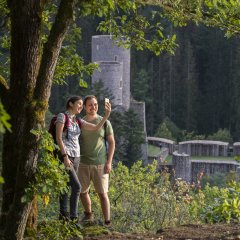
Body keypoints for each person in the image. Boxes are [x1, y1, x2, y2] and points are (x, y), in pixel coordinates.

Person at [55, 95, 111, 221]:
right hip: (67, 156)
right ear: (70, 104)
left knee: (66, 186)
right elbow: (59, 138)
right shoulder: (62, 117)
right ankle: (72, 217)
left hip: (76, 158)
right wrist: (64, 156)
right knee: (77, 187)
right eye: (79, 104)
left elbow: (95, 128)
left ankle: (64, 217)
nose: (80, 106)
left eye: (81, 104)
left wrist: (106, 116)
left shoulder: (77, 121)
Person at [78, 95, 115, 227]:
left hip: (100, 163)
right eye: (90, 105)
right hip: (83, 162)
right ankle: (88, 214)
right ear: (84, 107)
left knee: (103, 194)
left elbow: (111, 143)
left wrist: (109, 162)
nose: (93, 107)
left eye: (95, 104)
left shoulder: (105, 122)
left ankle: (107, 222)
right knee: (82, 192)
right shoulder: (80, 122)